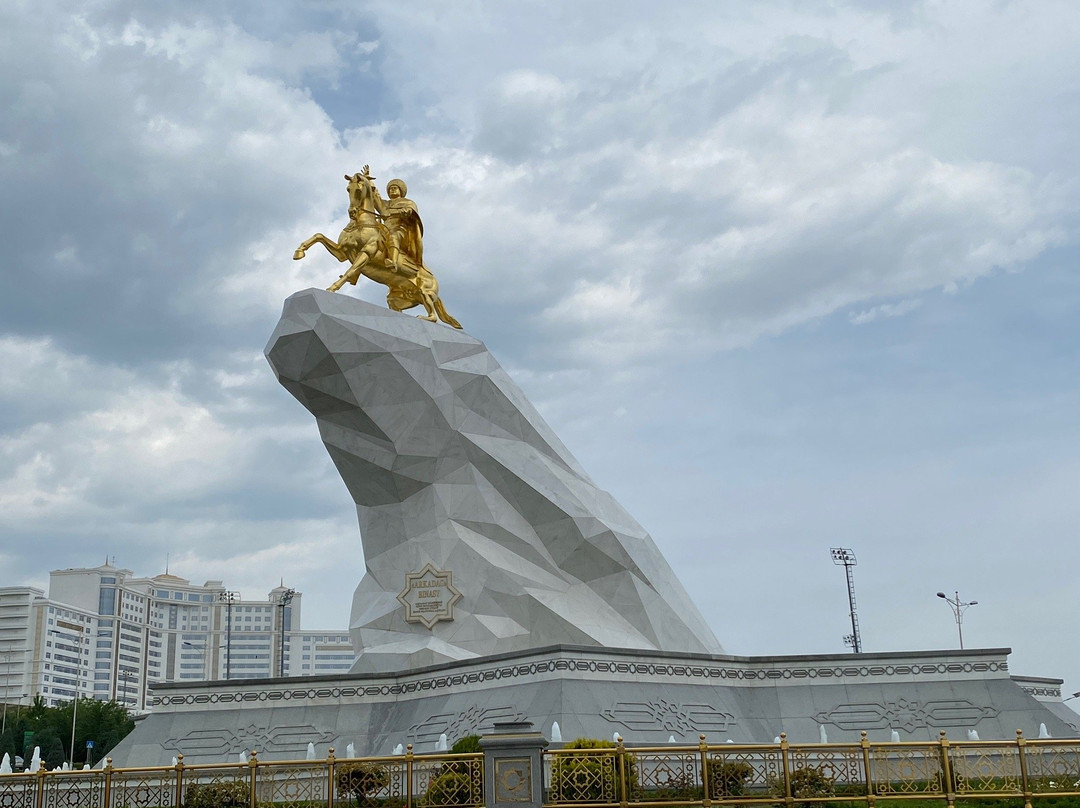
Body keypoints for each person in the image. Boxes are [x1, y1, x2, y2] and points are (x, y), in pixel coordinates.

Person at [376, 179, 424, 274]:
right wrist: (368, 182)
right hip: (385, 229)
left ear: (400, 191)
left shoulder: (408, 202)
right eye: (390, 189)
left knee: (393, 237)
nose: (392, 190)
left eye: (395, 188)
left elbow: (410, 212)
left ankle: (393, 262)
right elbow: (375, 198)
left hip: (401, 230)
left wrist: (397, 212)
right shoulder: (386, 204)